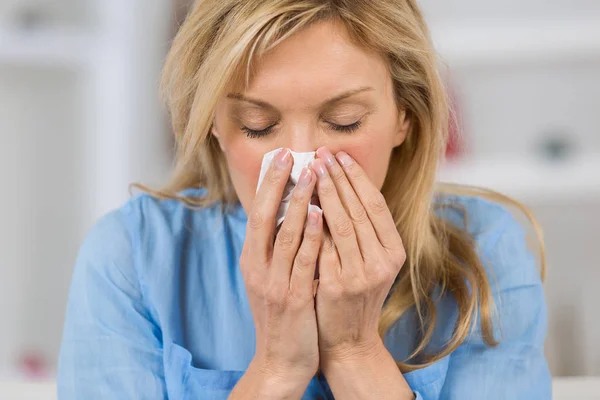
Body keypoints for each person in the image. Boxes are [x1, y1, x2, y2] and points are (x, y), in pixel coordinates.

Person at [57, 1, 551, 398]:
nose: (300, 163)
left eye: (344, 121)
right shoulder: (132, 256)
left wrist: (356, 352)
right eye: (258, 125)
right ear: (212, 122)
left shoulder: (486, 250)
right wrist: (276, 368)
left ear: (405, 114)